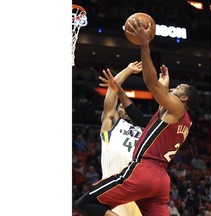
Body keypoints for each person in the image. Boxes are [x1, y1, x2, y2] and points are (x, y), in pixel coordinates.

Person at [75, 17, 199, 216]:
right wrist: (124, 81)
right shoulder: (174, 121)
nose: (173, 89)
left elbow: (150, 87)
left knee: (84, 203)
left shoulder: (169, 114)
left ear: (183, 98)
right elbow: (147, 110)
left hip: (139, 176)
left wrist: (144, 45)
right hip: (152, 181)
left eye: (177, 89)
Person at [98, 61, 146, 216]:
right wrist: (128, 69)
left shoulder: (143, 130)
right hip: (115, 190)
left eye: (124, 107)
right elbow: (112, 89)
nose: (122, 109)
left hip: (140, 194)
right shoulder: (111, 124)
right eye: (119, 108)